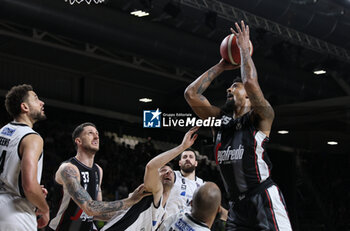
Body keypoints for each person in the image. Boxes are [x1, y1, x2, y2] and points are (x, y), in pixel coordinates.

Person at [184, 21, 292, 230]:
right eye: (229, 87)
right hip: (236, 206)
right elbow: (191, 94)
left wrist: (243, 50)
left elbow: (251, 83)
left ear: (250, 98)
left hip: (263, 198)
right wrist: (222, 65)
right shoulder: (219, 122)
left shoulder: (261, 116)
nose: (228, 90)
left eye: (235, 86)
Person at [49, 122, 148, 231]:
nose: (96, 136)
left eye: (97, 134)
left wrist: (136, 206)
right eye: (90, 133)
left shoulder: (98, 170)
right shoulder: (68, 169)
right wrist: (130, 201)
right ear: (78, 141)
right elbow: (90, 208)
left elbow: (99, 213)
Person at [101, 127, 199, 231]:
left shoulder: (164, 214)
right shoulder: (153, 192)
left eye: (171, 172)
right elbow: (151, 167)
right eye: (163, 170)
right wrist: (182, 147)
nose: (168, 172)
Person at [0, 84, 50, 230]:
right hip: (17, 214)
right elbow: (28, 186)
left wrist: (35, 191)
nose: (42, 102)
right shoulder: (32, 138)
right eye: (36, 99)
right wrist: (44, 208)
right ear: (25, 107)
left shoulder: (2, 131)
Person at [165, 148, 204, 216]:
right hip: (168, 224)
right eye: (184, 157)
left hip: (187, 224)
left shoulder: (201, 184)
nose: (187, 159)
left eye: (191, 157)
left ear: (196, 163)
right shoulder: (172, 175)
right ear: (180, 163)